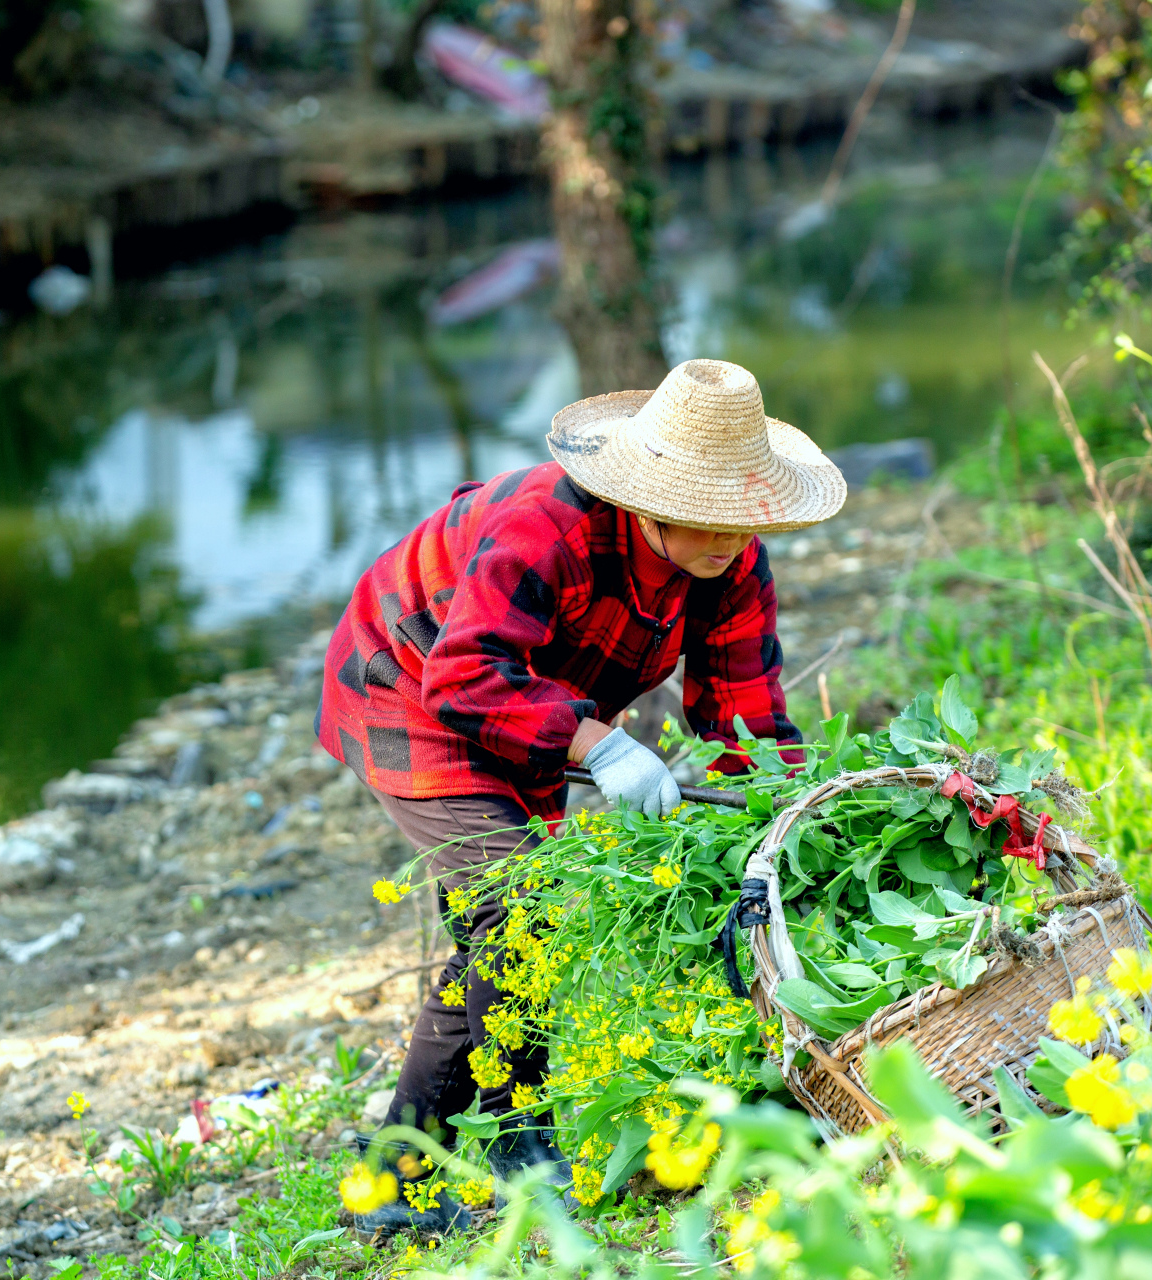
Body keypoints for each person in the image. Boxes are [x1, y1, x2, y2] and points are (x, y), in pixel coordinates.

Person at [316, 358, 846, 1233]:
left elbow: (745, 715)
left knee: (530, 923)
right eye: (709, 518)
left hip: (532, 698)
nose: (732, 538)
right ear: (648, 499)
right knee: (519, 914)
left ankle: (518, 1140)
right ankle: (391, 1182)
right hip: (410, 682)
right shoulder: (546, 528)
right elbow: (463, 674)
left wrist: (785, 817)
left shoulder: (730, 566)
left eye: (742, 518)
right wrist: (600, 744)